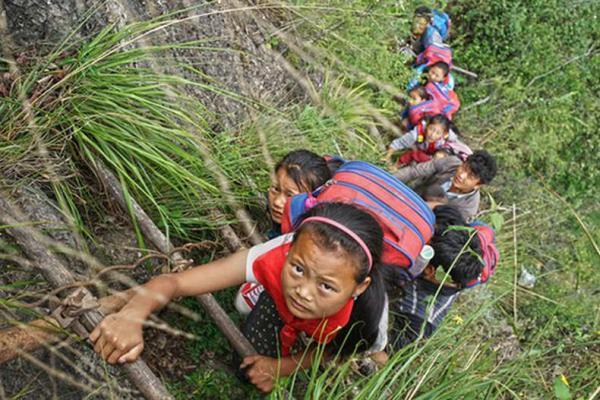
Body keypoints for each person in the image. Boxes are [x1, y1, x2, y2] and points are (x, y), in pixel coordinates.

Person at [89, 202, 386, 393]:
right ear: (289, 248)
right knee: (248, 365)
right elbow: (176, 282)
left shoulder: (363, 319)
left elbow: (337, 350)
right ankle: (274, 299)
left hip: (341, 329)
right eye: (297, 268)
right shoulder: (271, 258)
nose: (304, 292)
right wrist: (132, 314)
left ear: (359, 288)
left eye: (326, 287)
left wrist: (281, 367)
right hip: (280, 284)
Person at [238, 150, 335, 313]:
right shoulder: (294, 216)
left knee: (243, 302)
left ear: (312, 200)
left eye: (290, 195)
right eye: (275, 189)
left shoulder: (313, 237)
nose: (277, 202)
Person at [393, 150, 497, 221]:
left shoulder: (468, 208)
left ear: (478, 185)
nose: (461, 175)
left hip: (419, 220)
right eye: (464, 168)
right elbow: (414, 171)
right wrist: (388, 180)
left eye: (470, 176)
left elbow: (442, 227)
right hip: (408, 196)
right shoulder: (451, 163)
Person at [385, 114, 470, 166]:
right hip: (421, 150)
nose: (432, 135)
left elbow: (457, 147)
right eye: (431, 129)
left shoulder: (448, 137)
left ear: (444, 134)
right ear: (427, 126)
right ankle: (397, 165)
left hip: (433, 156)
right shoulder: (416, 133)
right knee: (413, 154)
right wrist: (387, 157)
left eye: (438, 133)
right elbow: (399, 143)